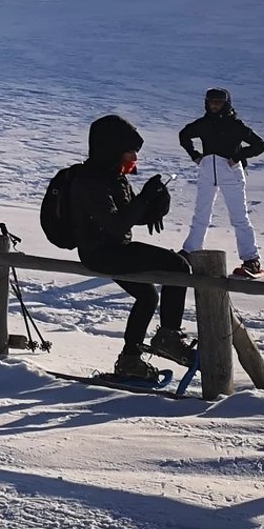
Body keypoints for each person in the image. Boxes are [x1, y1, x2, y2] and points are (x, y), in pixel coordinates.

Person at [71, 114, 195, 383]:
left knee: (148, 297)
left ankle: (130, 360)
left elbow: (126, 216)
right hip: (102, 253)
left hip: (113, 249)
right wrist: (145, 199)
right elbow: (115, 225)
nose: (133, 158)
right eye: (130, 152)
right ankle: (168, 337)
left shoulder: (112, 176)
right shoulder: (90, 180)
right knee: (178, 266)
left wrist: (156, 205)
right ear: (113, 149)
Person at [178, 86, 264, 277]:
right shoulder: (203, 123)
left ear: (226, 104)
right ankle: (190, 252)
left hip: (231, 172)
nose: (214, 106)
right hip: (208, 171)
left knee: (239, 217)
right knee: (201, 214)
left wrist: (237, 156)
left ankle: (252, 260)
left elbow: (260, 145)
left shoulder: (236, 125)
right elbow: (183, 135)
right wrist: (195, 156)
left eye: (218, 102)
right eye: (211, 102)